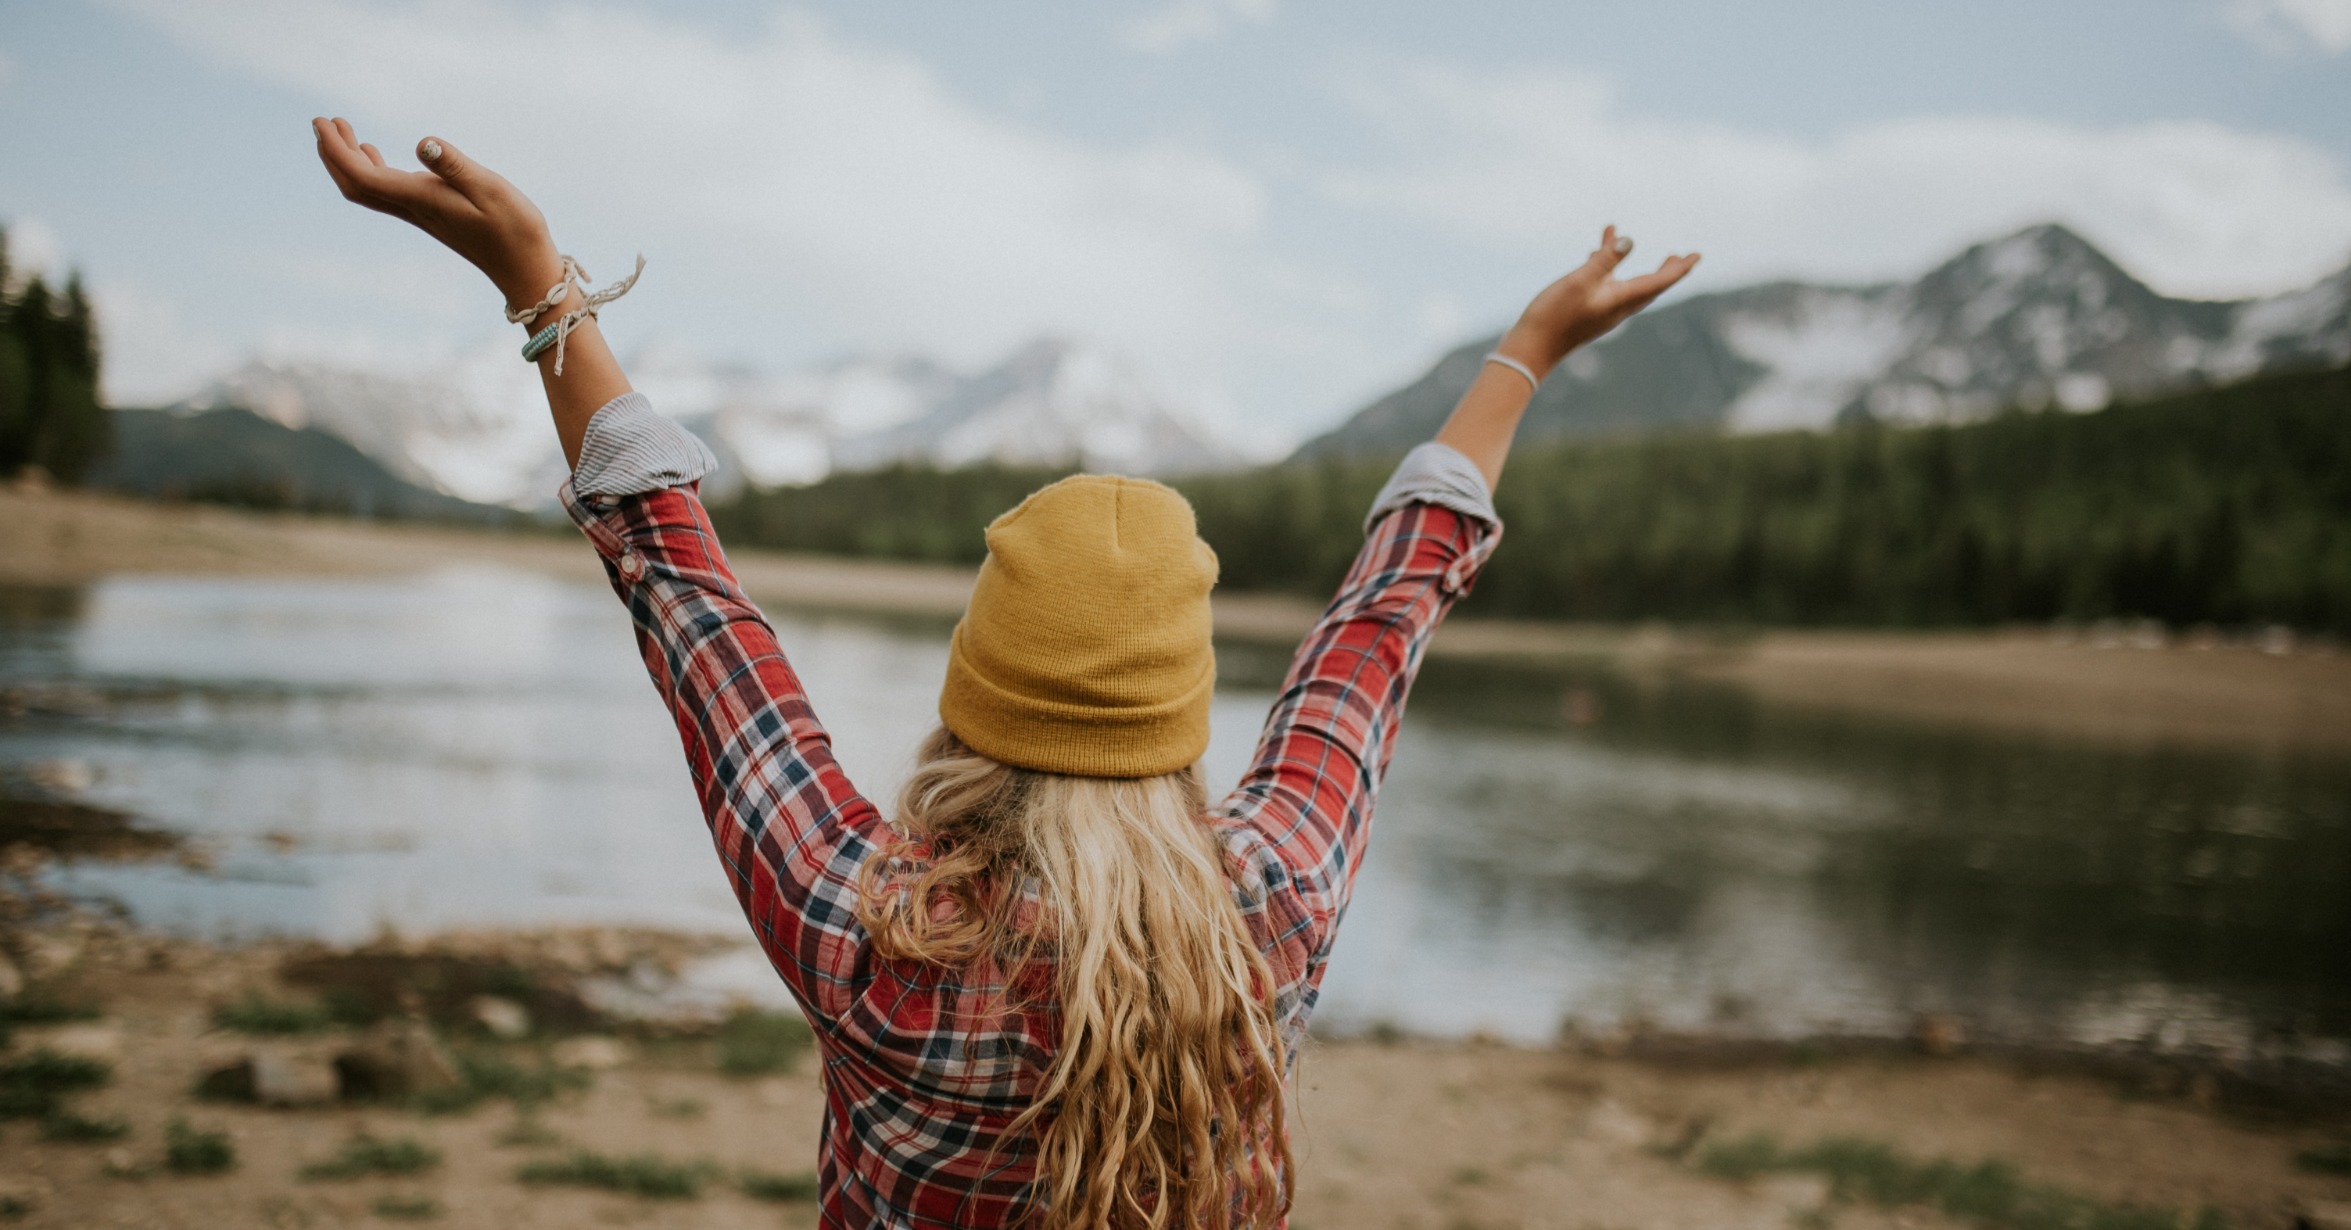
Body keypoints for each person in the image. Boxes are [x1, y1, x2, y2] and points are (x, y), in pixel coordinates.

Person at [311, 116, 1698, 1230]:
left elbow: (694, 606)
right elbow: (1379, 623)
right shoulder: (1270, 907)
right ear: (1174, 717)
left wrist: (543, 289)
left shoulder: (869, 938)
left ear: (975, 698)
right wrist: (1530, 351)